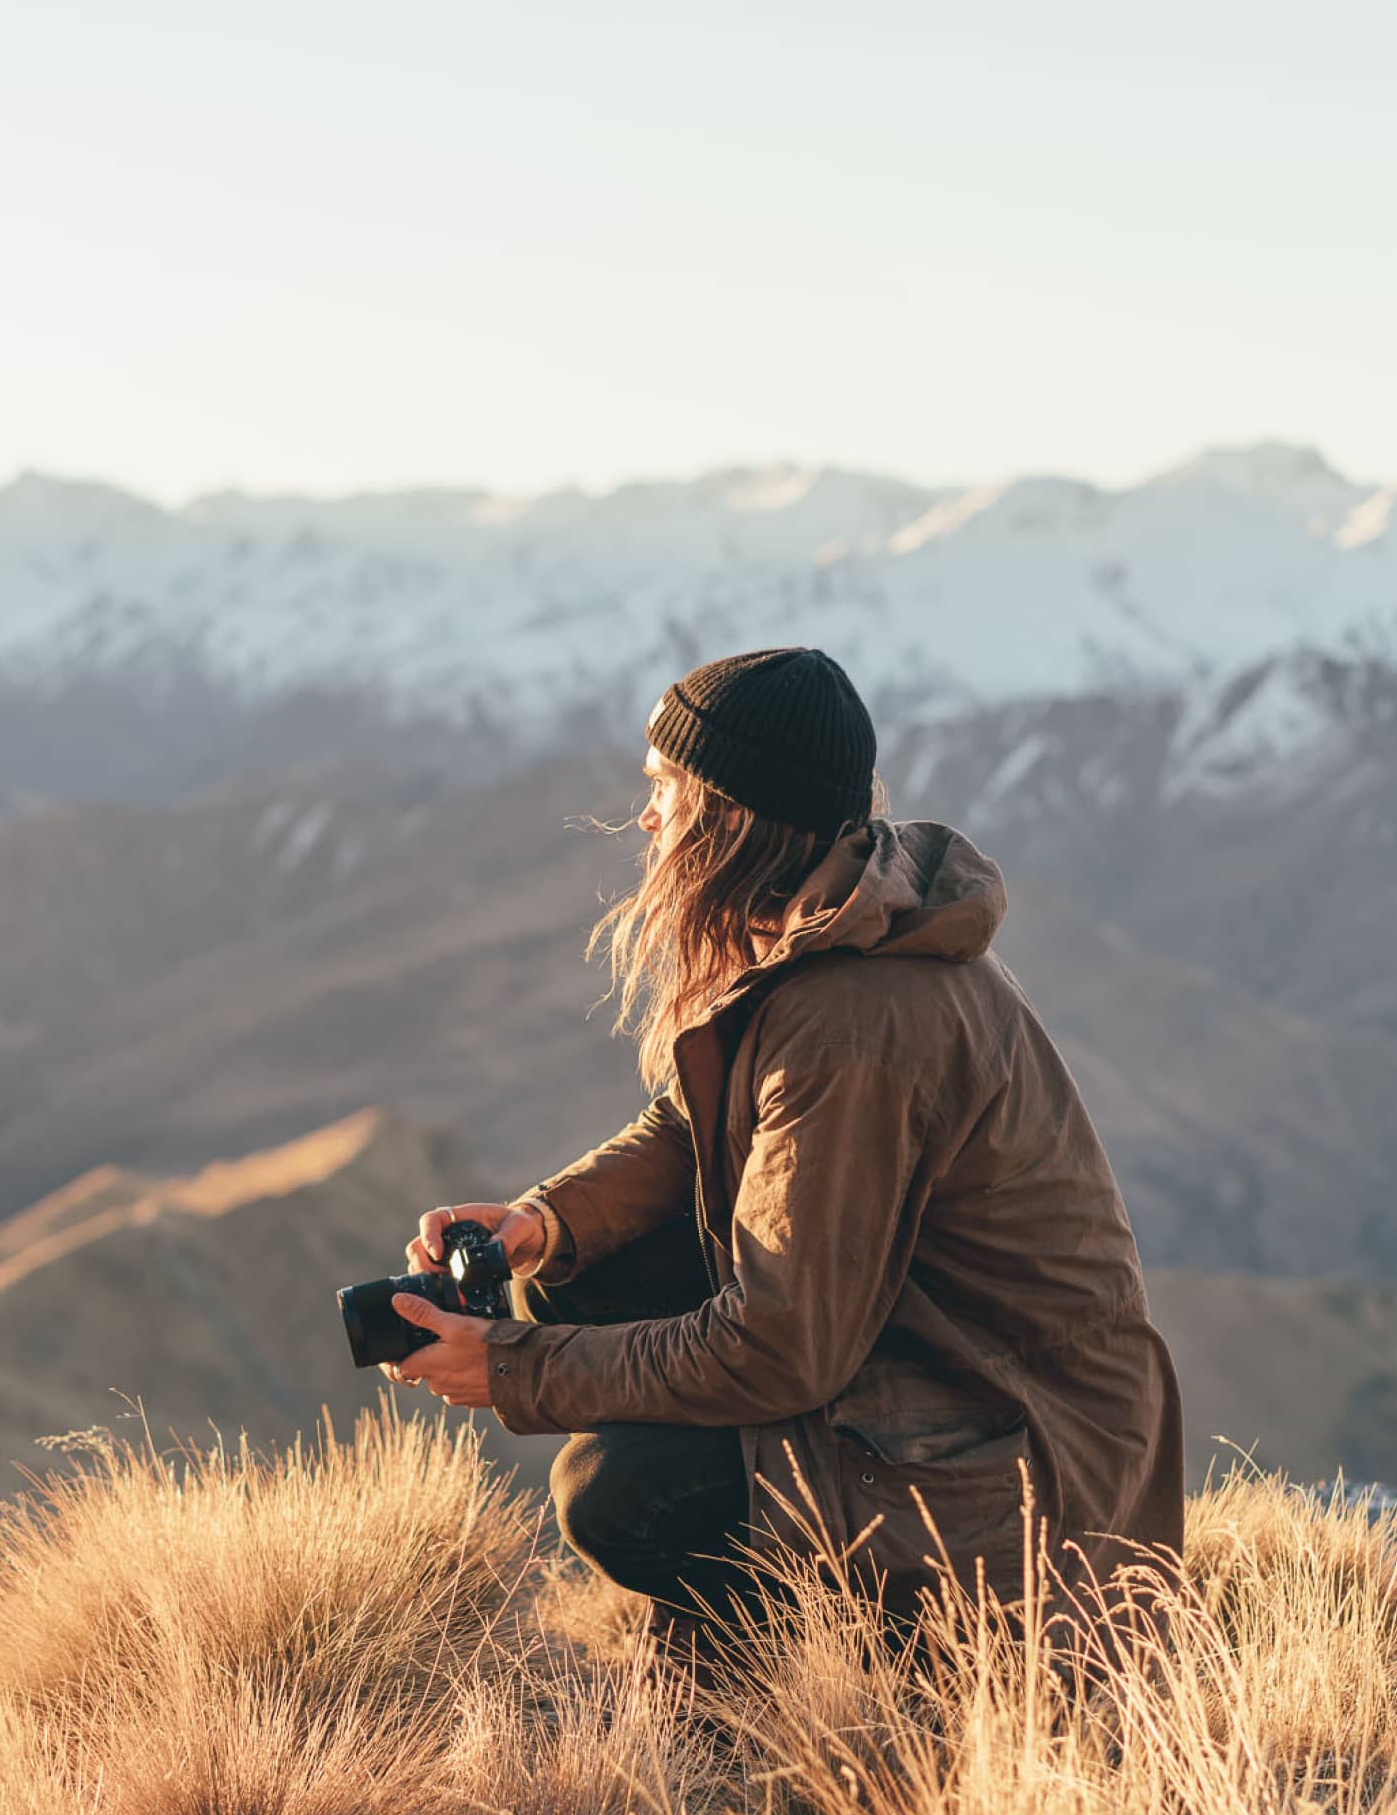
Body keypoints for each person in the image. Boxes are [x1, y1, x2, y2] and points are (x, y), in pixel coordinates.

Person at [382, 646, 1186, 1670]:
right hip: (931, 1362)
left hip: (1027, 1469)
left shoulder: (855, 1021)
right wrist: (546, 1222)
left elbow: (778, 1347)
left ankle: (856, 1667)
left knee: (618, 1491)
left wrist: (509, 1371)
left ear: (729, 816)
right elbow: (694, 1122)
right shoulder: (828, 927)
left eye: (662, 794)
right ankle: (761, 1640)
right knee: (587, 1276)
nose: (646, 822)